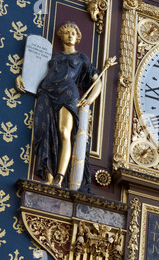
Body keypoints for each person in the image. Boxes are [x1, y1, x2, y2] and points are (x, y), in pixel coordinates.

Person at [16, 22, 101, 191]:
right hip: (46, 92)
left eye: (73, 33)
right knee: (44, 131)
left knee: (64, 132)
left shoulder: (81, 57)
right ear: (61, 36)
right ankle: (47, 174)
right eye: (67, 32)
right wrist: (21, 76)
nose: (70, 35)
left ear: (78, 38)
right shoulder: (53, 57)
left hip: (67, 93)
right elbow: (32, 69)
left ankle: (59, 177)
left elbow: (97, 82)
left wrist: (90, 99)